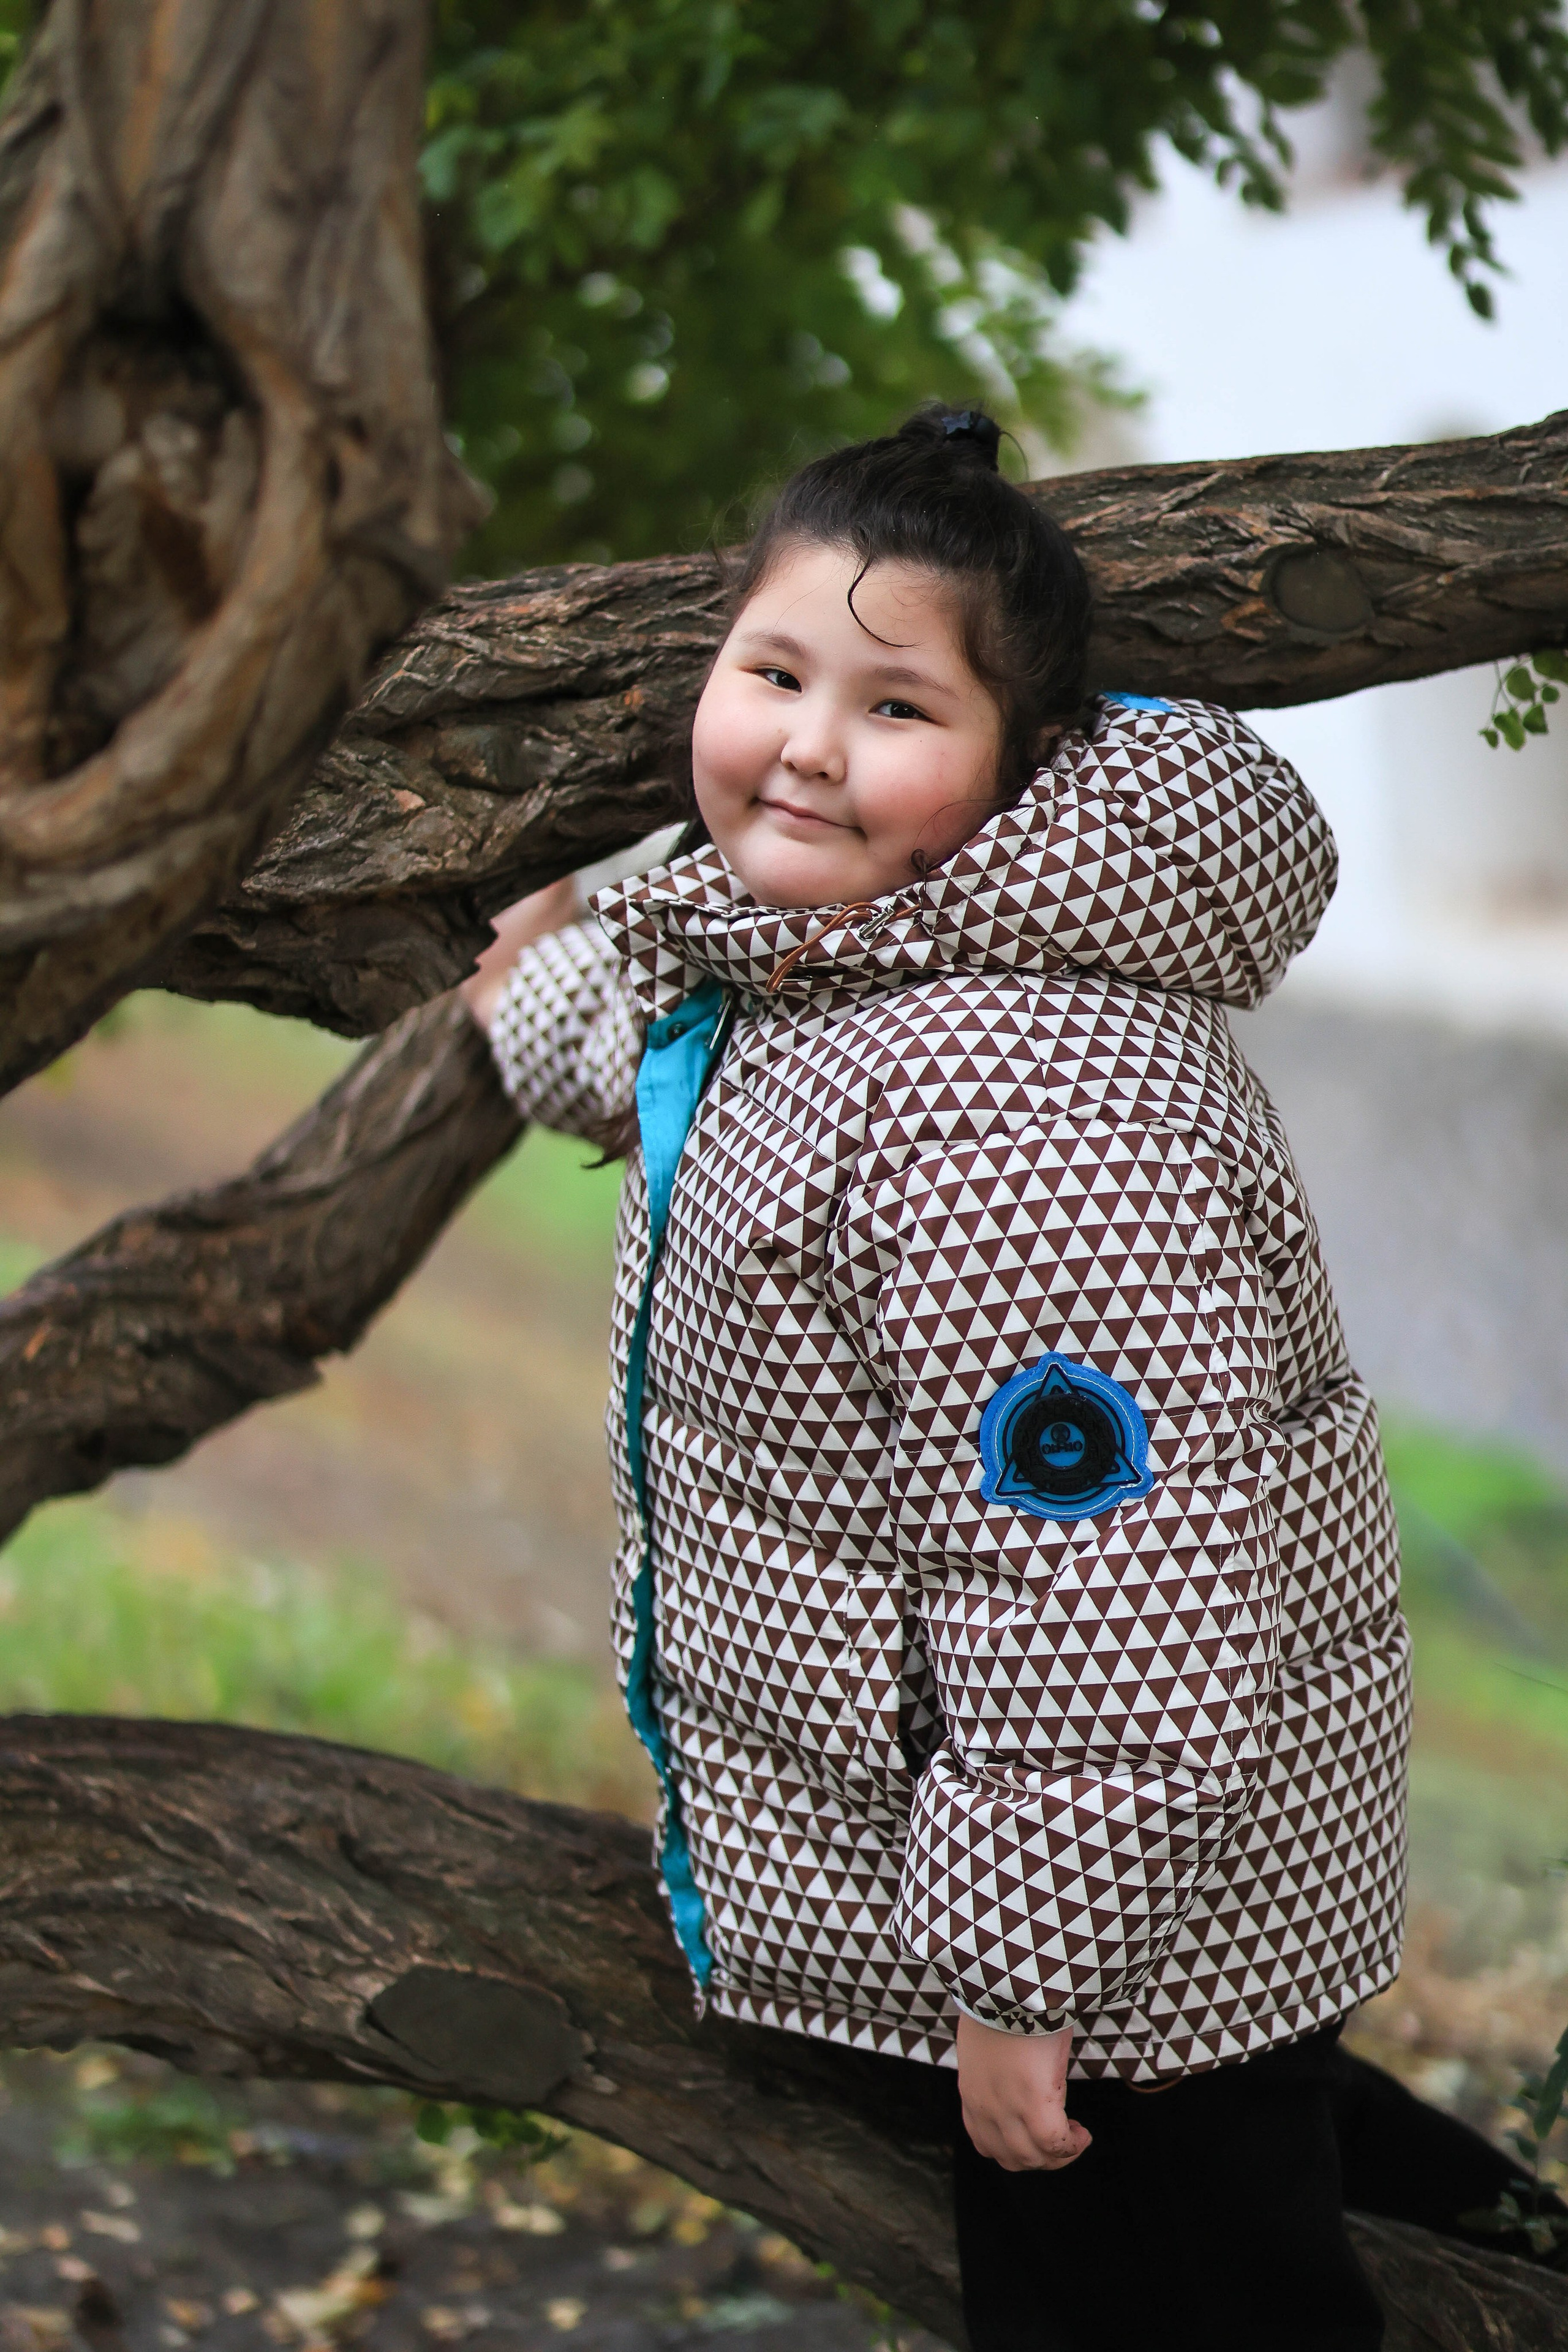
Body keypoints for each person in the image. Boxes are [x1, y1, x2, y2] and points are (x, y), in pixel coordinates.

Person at [462, 408, 1562, 2349]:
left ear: (1017, 765)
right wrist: (515, 983)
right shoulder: (822, 949)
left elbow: (1107, 1597)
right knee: (1247, 2185)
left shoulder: (1019, 1108)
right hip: (1085, 1893)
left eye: (896, 706)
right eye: (774, 672)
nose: (810, 744)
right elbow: (661, 1033)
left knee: (1169, 2282)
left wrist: (1022, 1978)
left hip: (1125, 1943)